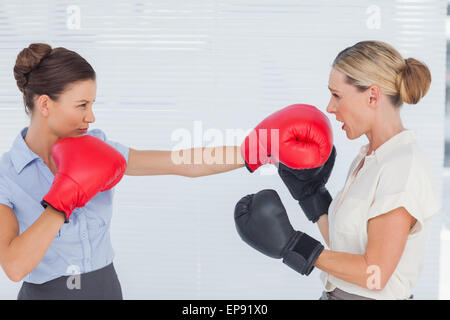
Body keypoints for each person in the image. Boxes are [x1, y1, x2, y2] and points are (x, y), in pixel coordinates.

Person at [0, 43, 246, 299]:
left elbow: (182, 162)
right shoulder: (6, 175)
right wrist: (60, 204)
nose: (91, 116)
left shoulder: (98, 150)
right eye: (82, 105)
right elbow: (14, 267)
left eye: (92, 104)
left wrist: (264, 149)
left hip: (106, 290)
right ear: (45, 105)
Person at [235, 40, 441, 300]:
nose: (330, 108)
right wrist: (312, 196)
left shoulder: (402, 167)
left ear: (373, 96)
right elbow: (346, 248)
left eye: (337, 96)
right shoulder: (368, 158)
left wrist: (294, 246)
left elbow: (373, 274)